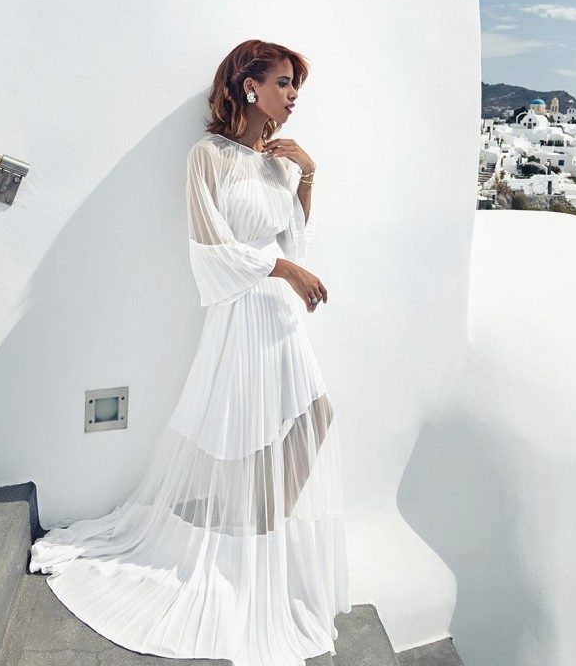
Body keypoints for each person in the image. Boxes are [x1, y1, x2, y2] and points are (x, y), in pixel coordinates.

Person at [30, 39, 351, 666]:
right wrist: (283, 270)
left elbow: (297, 240)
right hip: (243, 311)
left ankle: (261, 548)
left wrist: (308, 175)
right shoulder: (208, 157)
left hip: (282, 316)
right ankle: (240, 561)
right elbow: (210, 250)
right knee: (252, 433)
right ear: (250, 86)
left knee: (311, 421)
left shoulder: (281, 163)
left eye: (296, 86)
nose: (292, 96)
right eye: (283, 82)